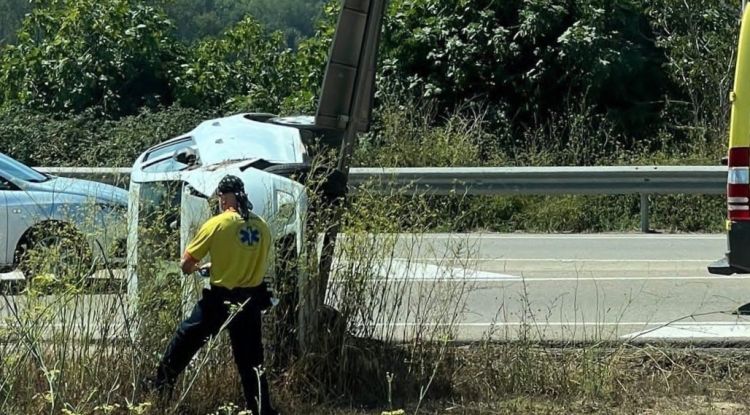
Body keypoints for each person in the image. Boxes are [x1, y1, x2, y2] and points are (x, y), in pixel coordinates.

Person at [152, 174, 278, 415]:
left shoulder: (217, 224)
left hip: (220, 300)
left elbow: (186, 264)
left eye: (219, 197)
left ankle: (161, 388)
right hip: (251, 301)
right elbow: (247, 259)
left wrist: (199, 268)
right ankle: (261, 408)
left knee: (186, 340)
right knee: (251, 362)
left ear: (223, 196)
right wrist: (218, 265)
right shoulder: (261, 226)